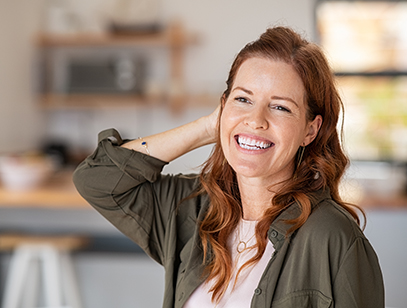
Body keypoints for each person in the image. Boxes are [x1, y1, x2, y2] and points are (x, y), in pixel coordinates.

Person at [73, 26, 384, 308]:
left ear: (310, 130)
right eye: (243, 99)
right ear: (222, 106)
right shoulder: (192, 208)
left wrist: (234, 120)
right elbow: (97, 179)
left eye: (280, 107)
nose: (256, 120)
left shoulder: (333, 238)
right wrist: (211, 127)